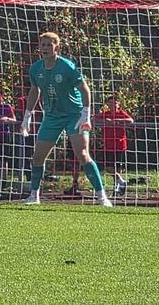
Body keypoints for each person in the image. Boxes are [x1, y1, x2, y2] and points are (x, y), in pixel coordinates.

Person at [20, 32, 112, 206]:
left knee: (83, 155)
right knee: (37, 157)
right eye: (43, 45)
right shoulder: (36, 69)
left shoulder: (67, 67)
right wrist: (27, 116)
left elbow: (85, 90)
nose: (45, 48)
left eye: (49, 45)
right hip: (52, 117)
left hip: (74, 115)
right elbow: (35, 90)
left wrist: (86, 115)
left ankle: (102, 197)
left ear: (57, 47)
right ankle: (34, 195)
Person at [93, 95, 134, 196]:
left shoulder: (121, 113)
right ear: (107, 104)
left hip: (120, 144)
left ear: (118, 104)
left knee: (118, 168)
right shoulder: (104, 114)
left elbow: (130, 120)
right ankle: (121, 182)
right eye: (110, 102)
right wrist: (103, 121)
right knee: (108, 167)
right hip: (108, 144)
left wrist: (116, 121)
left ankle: (117, 188)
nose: (113, 104)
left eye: (115, 102)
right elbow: (93, 119)